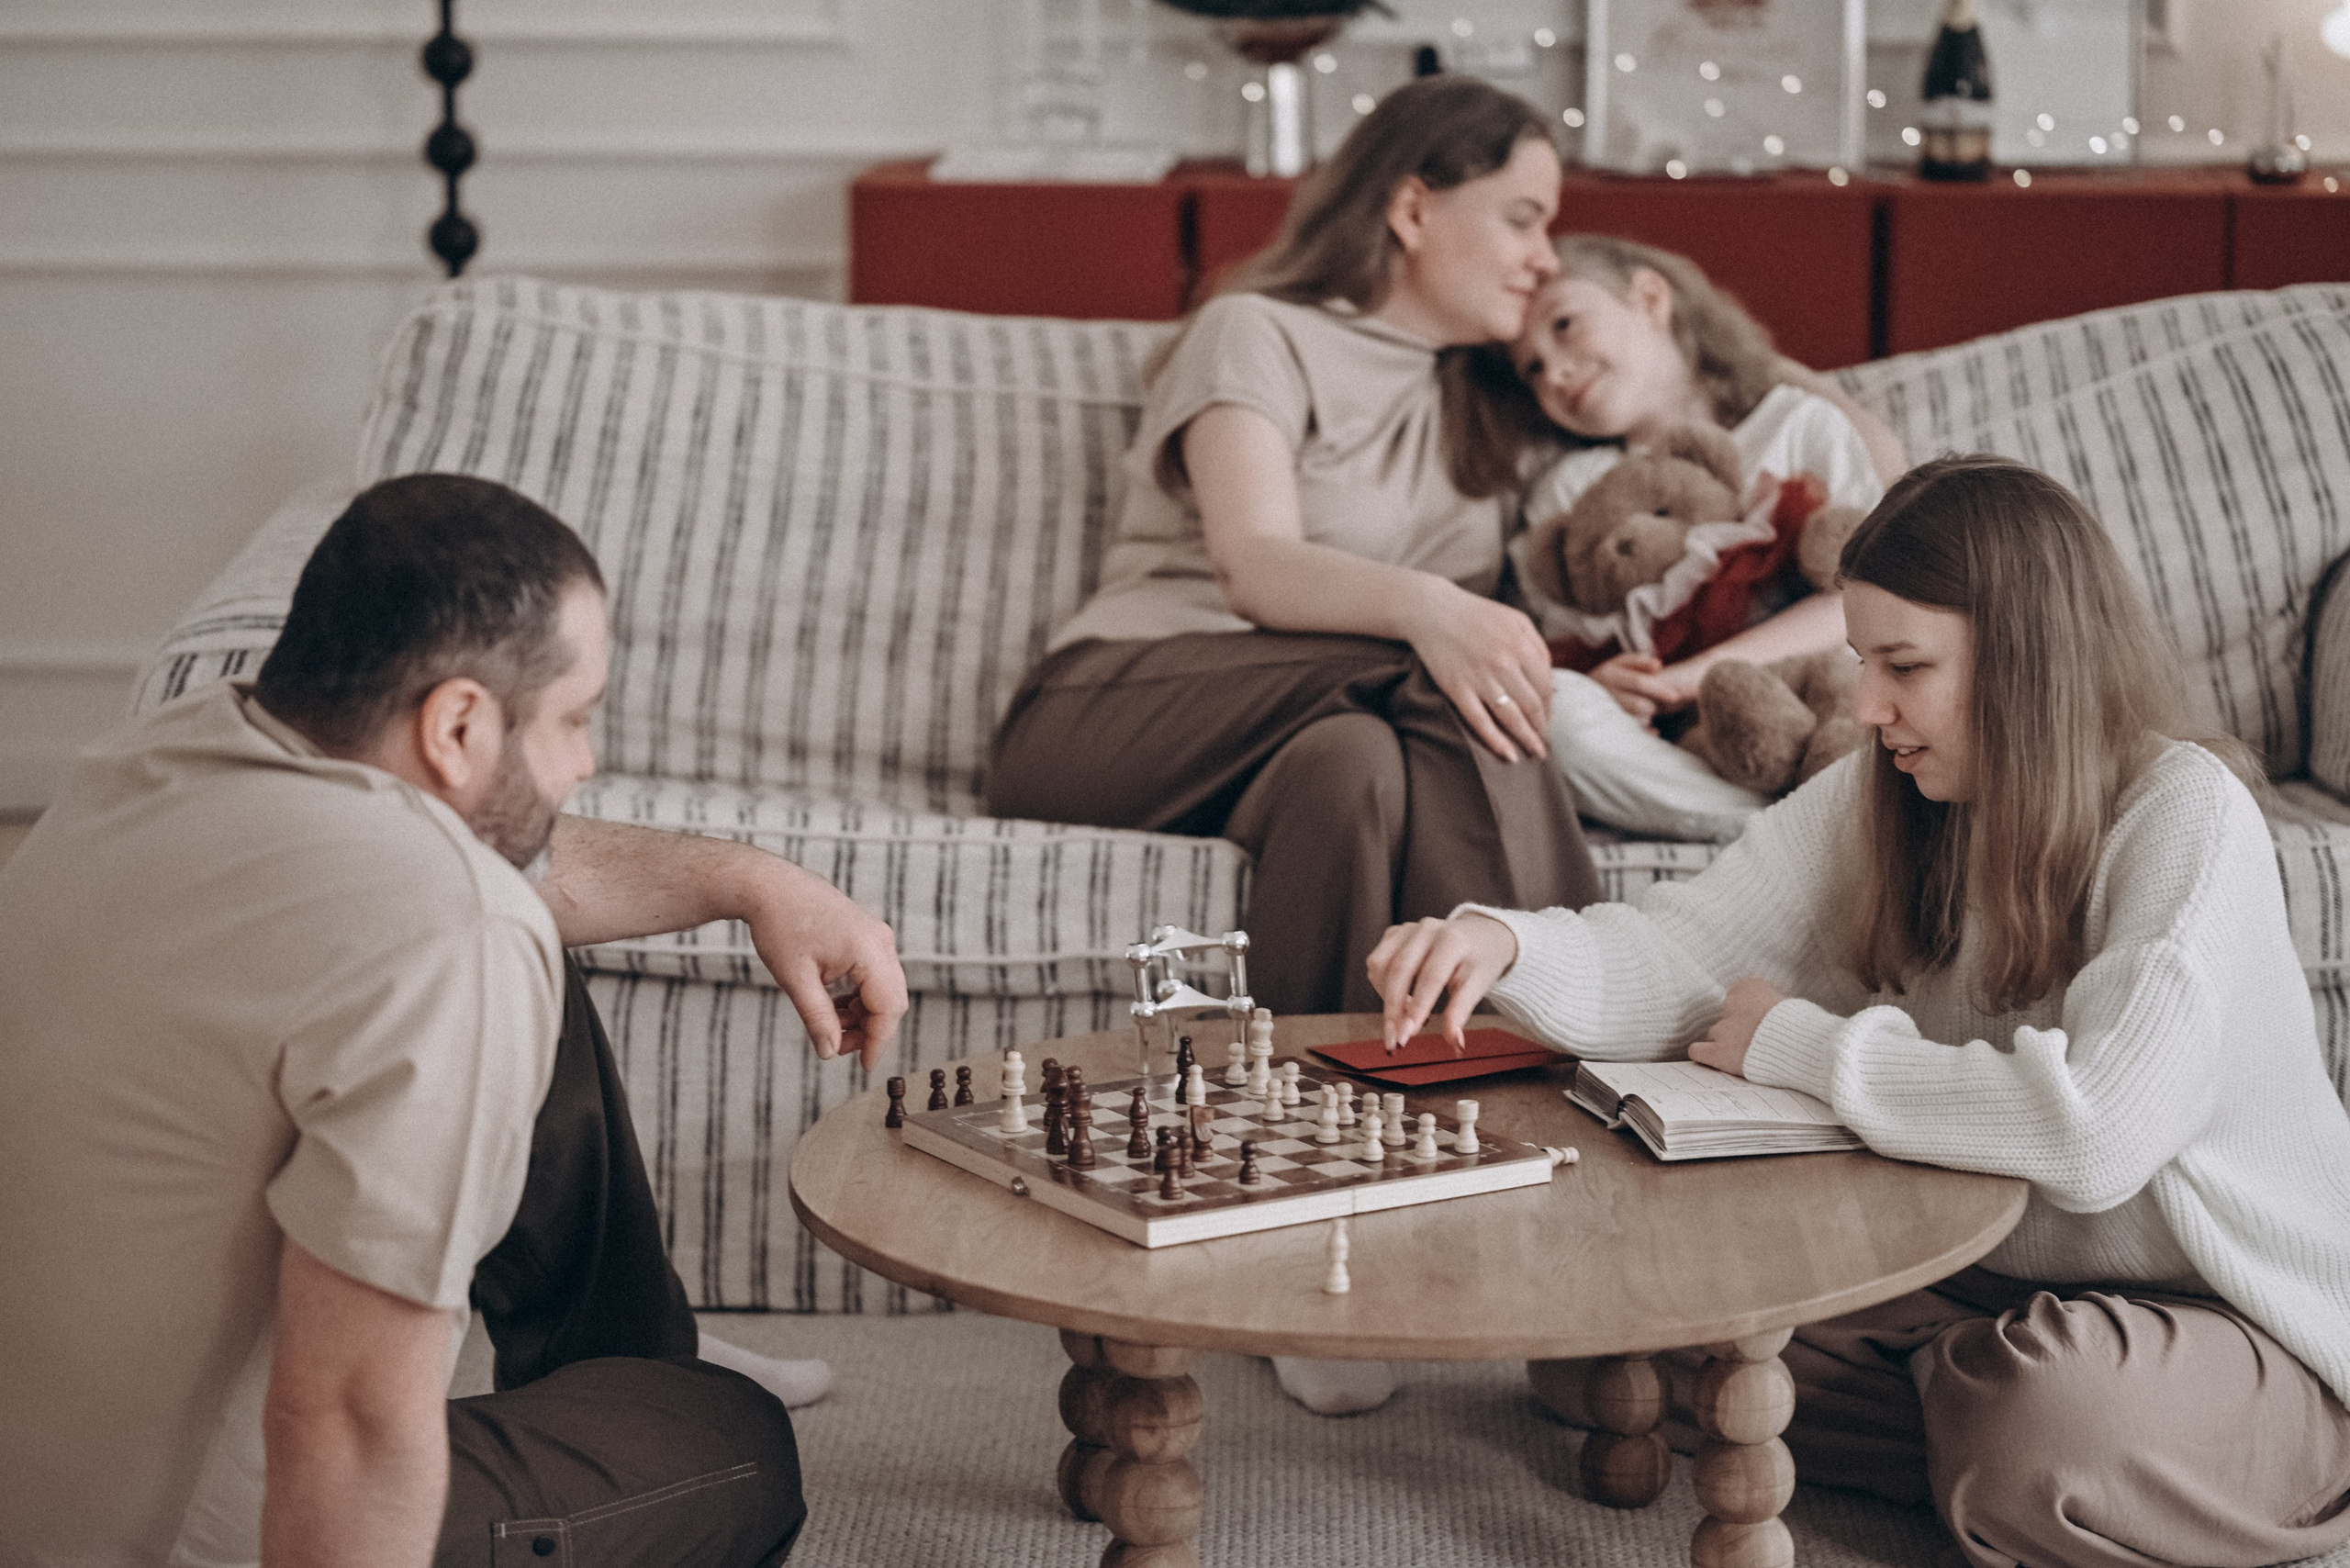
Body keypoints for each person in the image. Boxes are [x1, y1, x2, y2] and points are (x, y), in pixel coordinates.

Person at [1368, 455, 2350, 1568]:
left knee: (2049, 1426)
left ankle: (2042, 1438)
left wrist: (1800, 1045)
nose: (1867, 705)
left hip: (2226, 1313)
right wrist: (1505, 940)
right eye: (1860, 662)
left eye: (1905, 666)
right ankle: (1976, 1421)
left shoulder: (2184, 816)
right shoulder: (1890, 790)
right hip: (1984, 1292)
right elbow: (1683, 950)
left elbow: (2093, 1131)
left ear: (2027, 661)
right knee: (1607, 1334)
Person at [0, 475, 910, 1568]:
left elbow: (483, 860)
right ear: (459, 722)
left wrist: (750, 880)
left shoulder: (165, 758)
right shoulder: (443, 929)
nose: (584, 762)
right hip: (204, 1536)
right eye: (573, 719)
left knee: (516, 921)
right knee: (734, 1446)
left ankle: (620, 1367)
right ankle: (659, 1399)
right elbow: (343, 1419)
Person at [986, 73, 1603, 1033]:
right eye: (1522, 219)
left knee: (1350, 768)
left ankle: (1329, 1113)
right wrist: (1434, 611)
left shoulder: (1487, 404)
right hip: (1111, 711)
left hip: (1300, 740)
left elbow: (1696, 373)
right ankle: (1563, 1027)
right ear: (1411, 207)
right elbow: (1254, 559)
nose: (1543, 258)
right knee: (1443, 671)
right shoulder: (1258, 332)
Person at [1508, 233, 1899, 842]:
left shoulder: (1798, 423)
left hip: (1831, 700)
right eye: (1531, 368)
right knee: (1555, 706)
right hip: (1697, 751)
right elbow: (1564, 649)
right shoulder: (1569, 491)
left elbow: (1870, 599)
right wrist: (1610, 683)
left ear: (1649, 296)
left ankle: (1837, 798)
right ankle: (1789, 828)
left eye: (1564, 324)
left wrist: (1696, 672)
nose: (1554, 372)